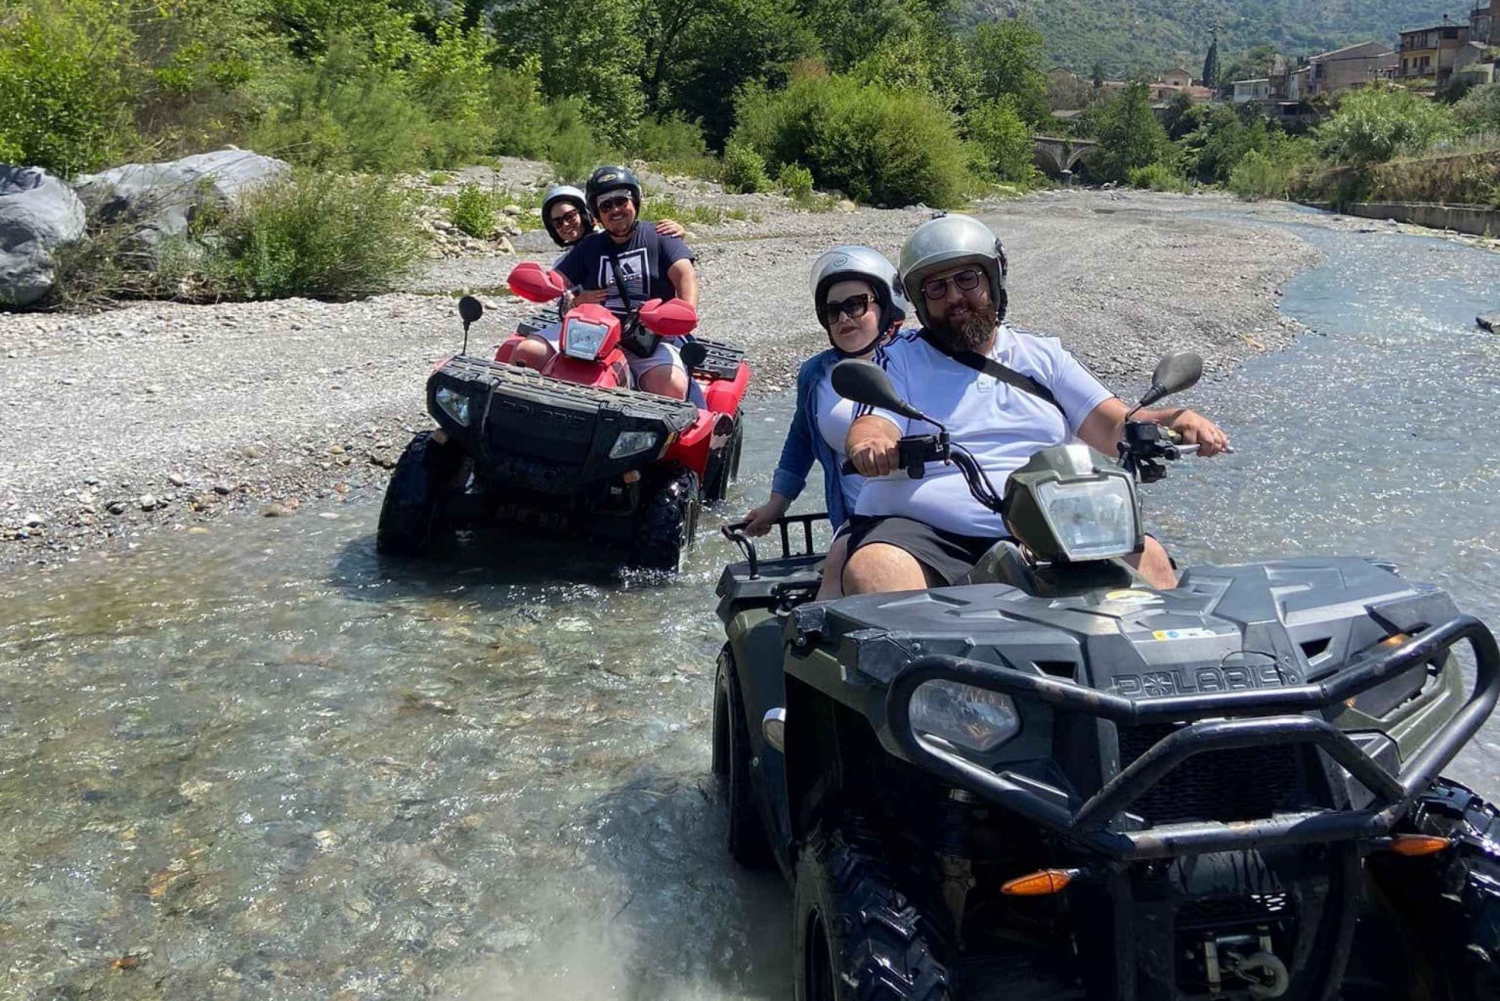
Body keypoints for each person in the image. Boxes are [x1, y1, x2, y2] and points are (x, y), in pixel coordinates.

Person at [842, 213, 1230, 595]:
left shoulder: (1045, 356)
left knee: (1151, 560)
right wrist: (871, 446)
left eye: (967, 279)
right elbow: (874, 423)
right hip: (926, 535)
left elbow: (1112, 424)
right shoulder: (899, 359)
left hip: (1054, 520)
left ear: (993, 280)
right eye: (937, 288)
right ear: (921, 302)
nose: (956, 297)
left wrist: (1173, 419)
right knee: (877, 570)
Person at [741, 247, 908, 599]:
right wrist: (776, 505)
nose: (844, 318)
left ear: (886, 306)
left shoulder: (918, 362)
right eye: (833, 311)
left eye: (856, 305)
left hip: (923, 511)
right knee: (834, 585)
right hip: (858, 519)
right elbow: (800, 441)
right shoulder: (816, 374)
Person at [530, 166, 698, 400]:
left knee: (671, 384)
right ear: (597, 212)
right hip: (591, 335)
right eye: (606, 206)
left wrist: (685, 311)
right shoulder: (588, 247)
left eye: (621, 201)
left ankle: (690, 424)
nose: (615, 210)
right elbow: (558, 279)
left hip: (647, 338)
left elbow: (684, 274)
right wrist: (540, 282)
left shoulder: (660, 236)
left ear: (635, 201)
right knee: (529, 351)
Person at [513, 187, 689, 371]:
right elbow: (560, 299)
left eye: (570, 216)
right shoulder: (568, 259)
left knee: (674, 380)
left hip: (641, 333)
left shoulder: (616, 238)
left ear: (585, 213)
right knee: (529, 351)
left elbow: (680, 269)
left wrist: (676, 235)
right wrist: (576, 302)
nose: (565, 225)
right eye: (557, 222)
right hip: (588, 331)